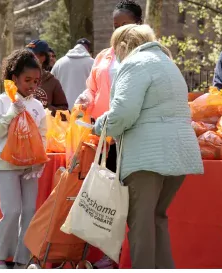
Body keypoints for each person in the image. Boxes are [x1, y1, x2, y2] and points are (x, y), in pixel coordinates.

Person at [93, 24, 203, 269]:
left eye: (115, 50)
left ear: (123, 46)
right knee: (157, 219)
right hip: (178, 154)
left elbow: (123, 113)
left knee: (142, 226)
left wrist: (97, 126)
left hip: (146, 157)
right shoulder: (167, 63)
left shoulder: (134, 63)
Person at [74, 0, 144, 268]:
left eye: (125, 25)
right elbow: (92, 89)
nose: (119, 31)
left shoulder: (145, 56)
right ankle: (108, 255)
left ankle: (124, 255)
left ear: (139, 24)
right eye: (115, 26)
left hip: (133, 137)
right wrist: (84, 98)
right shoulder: (104, 56)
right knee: (108, 195)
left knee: (130, 199)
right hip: (105, 137)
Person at [0, 49, 47, 269]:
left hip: (31, 165)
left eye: (36, 81)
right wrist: (12, 112)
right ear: (14, 78)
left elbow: (42, 135)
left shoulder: (38, 106)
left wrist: (40, 159)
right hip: (7, 165)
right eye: (27, 80)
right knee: (12, 211)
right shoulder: (2, 101)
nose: (32, 85)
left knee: (30, 211)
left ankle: (24, 260)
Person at [26, 40, 69, 112]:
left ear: (43, 57)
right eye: (26, 55)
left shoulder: (52, 82)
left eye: (32, 55)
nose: (27, 58)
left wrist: (47, 109)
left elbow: (64, 111)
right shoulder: (19, 78)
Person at [51, 38, 94, 109]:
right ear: (88, 50)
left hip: (63, 109)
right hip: (84, 109)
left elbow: (51, 84)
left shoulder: (59, 63)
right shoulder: (93, 63)